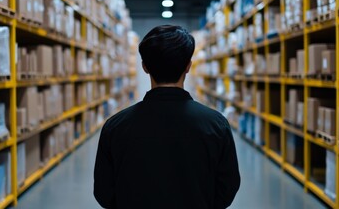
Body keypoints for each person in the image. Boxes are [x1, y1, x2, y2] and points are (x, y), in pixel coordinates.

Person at [94, 25, 240, 208]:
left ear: (145, 67)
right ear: (188, 66)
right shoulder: (216, 125)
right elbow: (227, 188)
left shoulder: (115, 127)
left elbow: (104, 192)